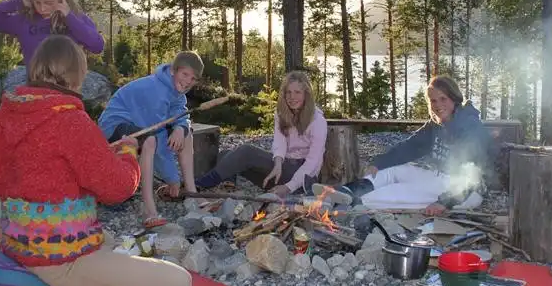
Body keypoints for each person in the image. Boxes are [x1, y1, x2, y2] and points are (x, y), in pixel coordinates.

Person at [0, 35, 191, 286]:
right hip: (59, 260)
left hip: (18, 240)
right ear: (78, 77)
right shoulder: (72, 121)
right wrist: (126, 153)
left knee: (109, 238)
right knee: (180, 283)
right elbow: (118, 188)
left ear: (33, 70)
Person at [313, 75, 497, 216]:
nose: (438, 105)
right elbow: (409, 147)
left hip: (463, 191)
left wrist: (444, 202)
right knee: (393, 171)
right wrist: (378, 163)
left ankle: (351, 203)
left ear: (455, 99)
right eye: (433, 100)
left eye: (443, 99)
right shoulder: (437, 124)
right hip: (439, 177)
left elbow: (472, 176)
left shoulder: (470, 128)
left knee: (394, 192)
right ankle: (345, 191)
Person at [98, 52, 204, 228]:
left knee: (186, 133)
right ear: (173, 70)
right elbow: (158, 139)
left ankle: (193, 194)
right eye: (185, 74)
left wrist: (180, 127)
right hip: (115, 125)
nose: (187, 82)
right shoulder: (156, 91)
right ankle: (149, 210)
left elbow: (181, 112)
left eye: (193, 79)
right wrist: (172, 179)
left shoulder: (176, 90)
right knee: (150, 142)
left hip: (140, 124)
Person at [195, 71, 328, 198]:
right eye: (288, 92)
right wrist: (277, 164)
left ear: (307, 94)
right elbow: (279, 142)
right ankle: (228, 186)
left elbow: (313, 163)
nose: (292, 97)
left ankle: (199, 185)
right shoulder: (282, 113)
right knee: (227, 154)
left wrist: (288, 187)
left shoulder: (317, 121)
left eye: (297, 92)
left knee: (246, 152)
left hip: (301, 180)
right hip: (279, 172)